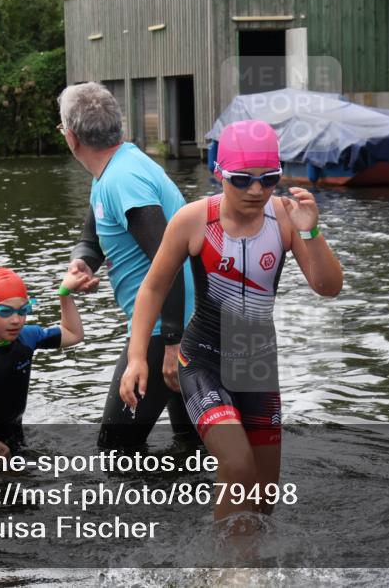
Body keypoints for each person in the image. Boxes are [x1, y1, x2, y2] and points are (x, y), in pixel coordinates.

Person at [121, 120, 343, 530]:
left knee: (263, 497)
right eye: (243, 180)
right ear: (219, 173)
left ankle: (241, 558)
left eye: (269, 179)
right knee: (237, 464)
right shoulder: (193, 221)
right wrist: (138, 358)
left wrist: (310, 229)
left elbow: (327, 287)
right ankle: (230, 573)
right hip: (203, 360)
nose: (257, 191)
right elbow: (151, 290)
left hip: (257, 365)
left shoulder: (285, 218)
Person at [59, 82, 196, 450]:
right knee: (192, 447)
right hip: (177, 325)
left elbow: (169, 263)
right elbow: (92, 236)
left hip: (166, 330)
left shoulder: (124, 180)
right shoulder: (115, 168)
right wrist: (83, 263)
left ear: (71, 138)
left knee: (116, 450)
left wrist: (172, 343)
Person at [0, 267, 94, 457]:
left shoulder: (28, 337)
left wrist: (64, 293)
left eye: (23, 310)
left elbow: (74, 334)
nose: (16, 320)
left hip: (14, 438)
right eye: (6, 311)